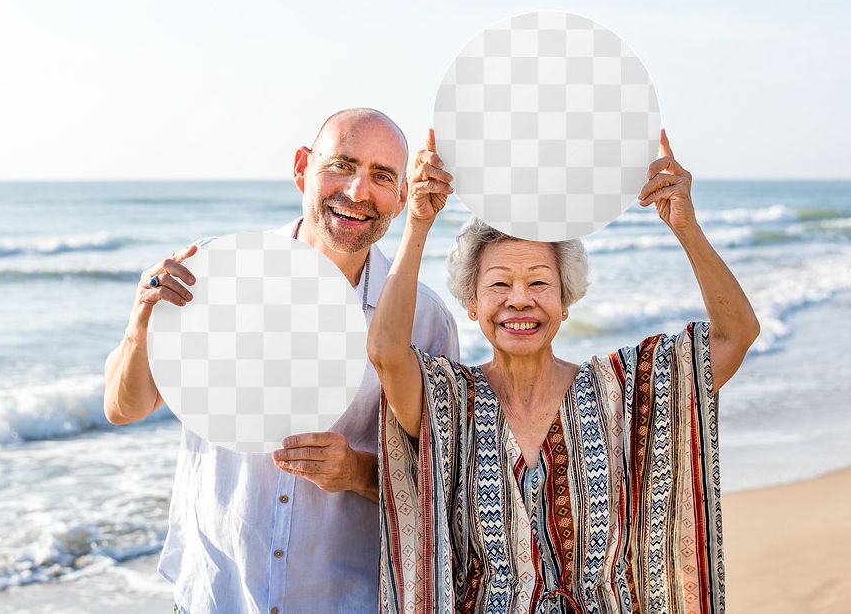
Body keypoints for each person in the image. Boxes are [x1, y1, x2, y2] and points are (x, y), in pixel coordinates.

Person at [368, 129, 759, 613]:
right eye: (499, 284)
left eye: (538, 282)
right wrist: (418, 226)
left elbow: (734, 336)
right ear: (472, 304)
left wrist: (685, 227)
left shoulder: (621, 391)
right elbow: (386, 352)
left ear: (565, 301)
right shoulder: (450, 403)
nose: (519, 299)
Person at [103, 108, 460, 614]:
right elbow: (124, 407)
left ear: (402, 197)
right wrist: (141, 320)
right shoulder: (216, 272)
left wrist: (357, 473)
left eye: (382, 177)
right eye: (342, 164)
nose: (359, 191)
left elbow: (445, 488)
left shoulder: (425, 320)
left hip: (344, 600)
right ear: (302, 168)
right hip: (217, 593)